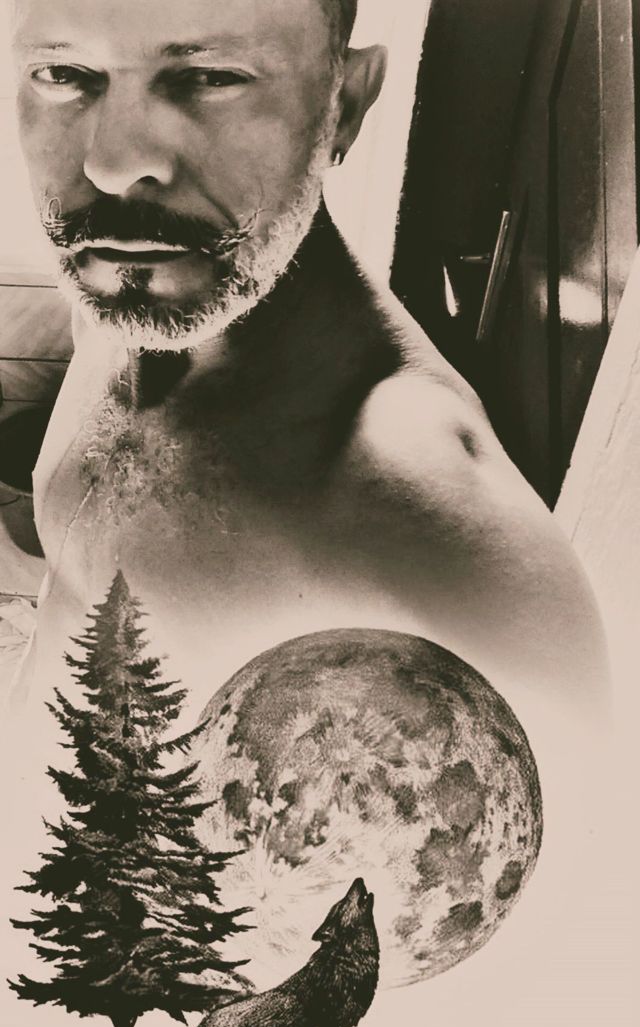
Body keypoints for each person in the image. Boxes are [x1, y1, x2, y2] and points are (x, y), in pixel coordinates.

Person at [9, 0, 607, 737]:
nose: (112, 166)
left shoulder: (432, 566)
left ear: (345, 103)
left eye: (210, 77)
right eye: (63, 72)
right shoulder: (130, 285)